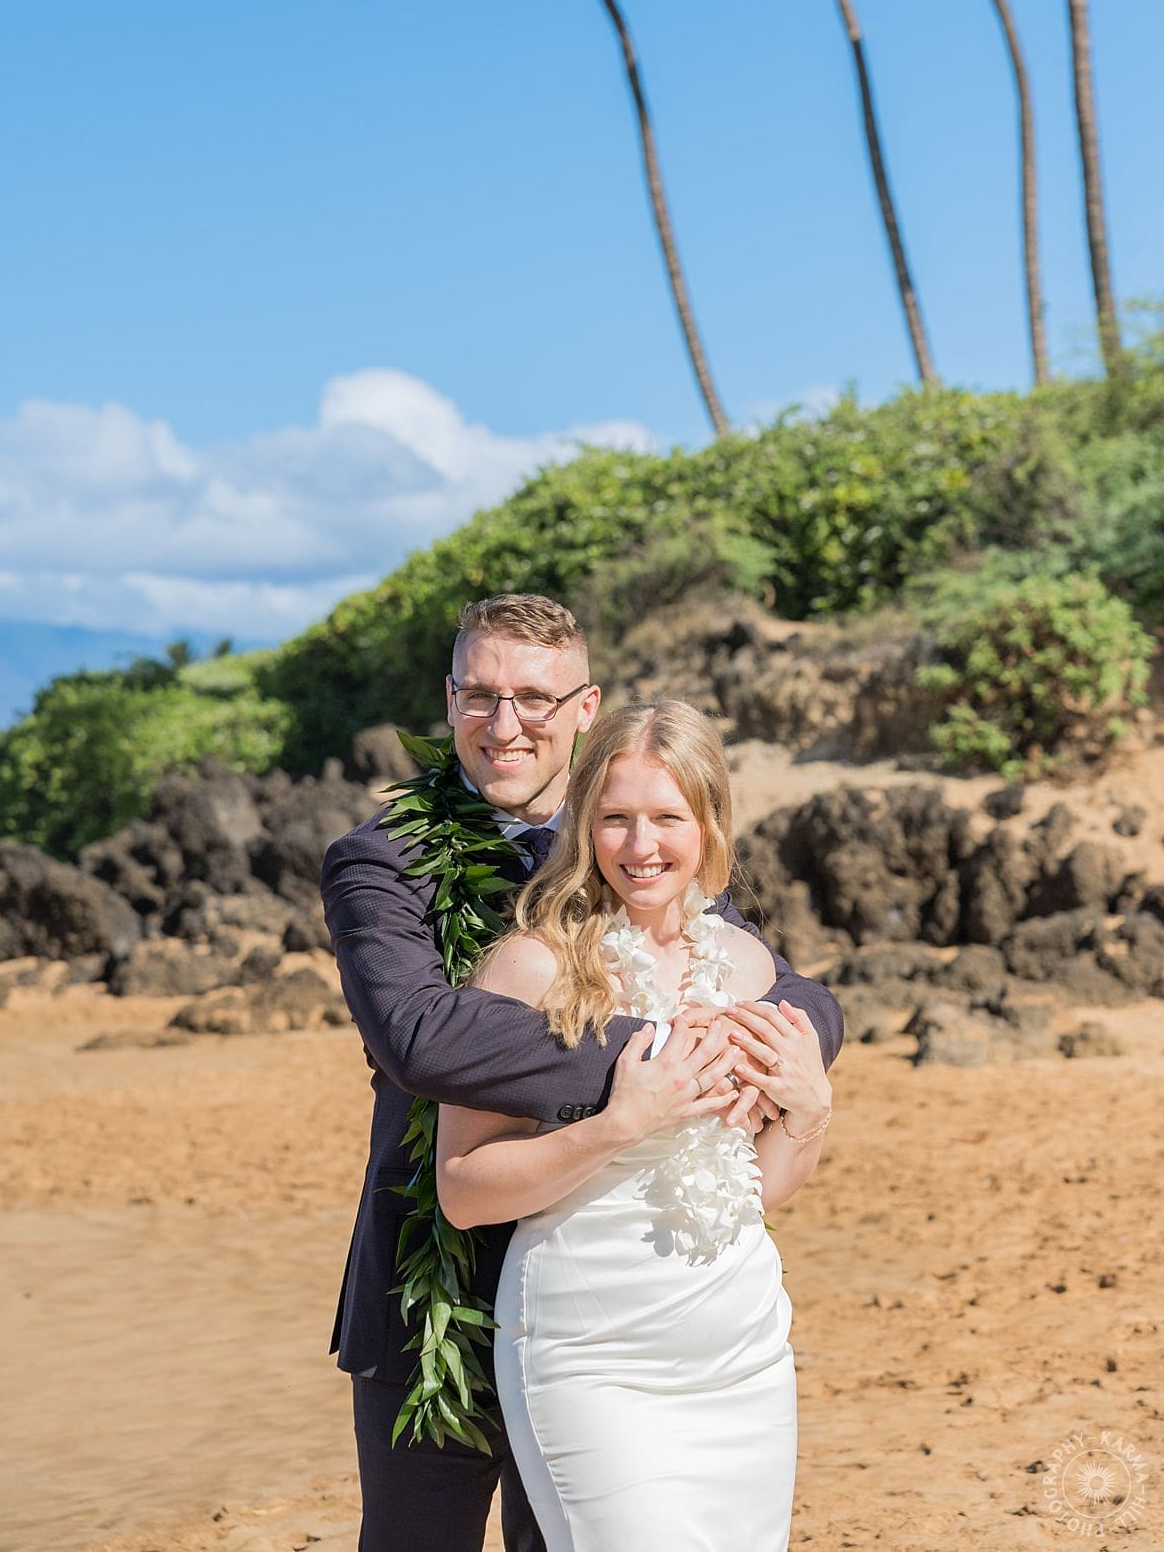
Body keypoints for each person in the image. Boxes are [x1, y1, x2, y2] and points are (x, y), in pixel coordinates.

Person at [321, 593, 843, 1552]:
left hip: (643, 1291)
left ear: (584, 706)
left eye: (534, 696)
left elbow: (793, 990)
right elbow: (419, 1036)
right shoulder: (381, 863)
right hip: (434, 1282)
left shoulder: (640, 844)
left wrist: (793, 1045)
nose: (506, 722)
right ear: (448, 702)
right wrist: (666, 1062)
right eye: (480, 695)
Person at [437, 700, 832, 1550]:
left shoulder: (748, 964)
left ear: (710, 822)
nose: (640, 846)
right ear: (584, 823)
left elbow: (758, 1187)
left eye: (666, 818)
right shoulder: (530, 966)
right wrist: (619, 1124)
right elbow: (464, 1190)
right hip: (593, 1361)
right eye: (615, 818)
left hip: (744, 1357)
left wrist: (809, 1111)